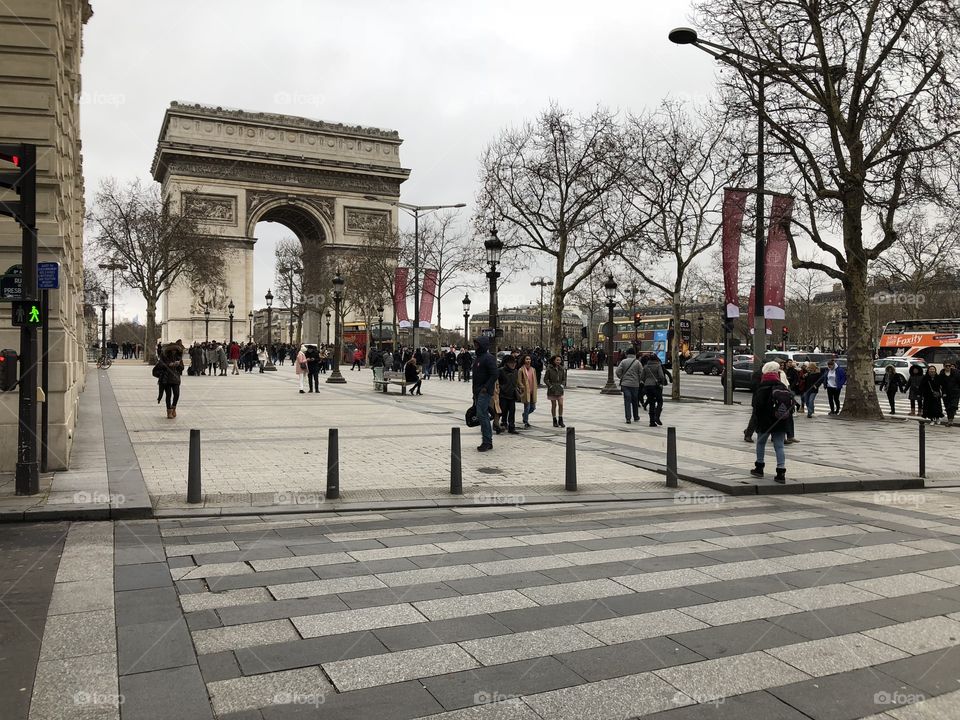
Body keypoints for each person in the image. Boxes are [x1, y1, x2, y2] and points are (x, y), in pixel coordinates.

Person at [752, 361, 792, 483]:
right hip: (780, 421)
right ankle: (781, 472)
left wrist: (756, 421)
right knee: (779, 446)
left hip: (765, 422)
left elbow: (756, 406)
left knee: (760, 443)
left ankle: (759, 467)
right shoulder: (782, 386)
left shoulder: (762, 387)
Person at [471, 337, 497, 451]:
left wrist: (486, 387)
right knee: (482, 414)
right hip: (477, 391)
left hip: (484, 391)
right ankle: (487, 440)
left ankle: (487, 441)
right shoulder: (478, 358)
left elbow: (494, 374)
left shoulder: (488, 358)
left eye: (477, 344)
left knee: (482, 415)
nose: (476, 346)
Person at [155, 342, 184, 419]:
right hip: (166, 379)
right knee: (168, 395)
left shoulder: (178, 357)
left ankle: (173, 407)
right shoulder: (164, 356)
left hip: (175, 378)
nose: (174, 351)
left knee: (177, 394)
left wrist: (178, 365)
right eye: (173, 350)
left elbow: (182, 368)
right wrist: (169, 365)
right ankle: (169, 411)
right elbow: (159, 365)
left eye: (175, 350)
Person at [615, 348, 643, 424]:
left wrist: (621, 377)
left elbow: (617, 371)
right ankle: (636, 416)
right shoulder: (637, 362)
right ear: (634, 354)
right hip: (635, 385)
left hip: (625, 384)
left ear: (627, 354)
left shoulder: (623, 361)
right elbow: (641, 373)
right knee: (635, 401)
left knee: (627, 401)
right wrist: (638, 380)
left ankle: (628, 418)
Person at [640, 353, 667, 427]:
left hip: (647, 386)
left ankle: (651, 422)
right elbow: (661, 376)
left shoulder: (646, 366)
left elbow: (642, 377)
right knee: (660, 401)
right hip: (655, 386)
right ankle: (657, 416)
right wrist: (661, 381)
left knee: (651, 402)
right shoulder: (658, 365)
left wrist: (647, 380)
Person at [544, 354, 567, 427]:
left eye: (559, 360)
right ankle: (554, 419)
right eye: (557, 360)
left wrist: (562, 385)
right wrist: (550, 386)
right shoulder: (549, 369)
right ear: (554, 360)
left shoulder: (562, 369)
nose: (558, 361)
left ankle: (560, 419)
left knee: (561, 404)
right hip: (552, 389)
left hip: (559, 389)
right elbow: (545, 379)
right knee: (554, 405)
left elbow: (564, 379)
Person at [499, 354, 519, 434]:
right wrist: (501, 388)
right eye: (511, 363)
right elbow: (496, 382)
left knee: (512, 411)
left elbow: (516, 382)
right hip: (503, 395)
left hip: (512, 395)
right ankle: (502, 423)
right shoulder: (501, 371)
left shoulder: (516, 371)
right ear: (507, 363)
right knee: (503, 410)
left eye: (514, 363)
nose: (513, 364)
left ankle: (511, 427)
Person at [518, 354, 538, 428]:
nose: (528, 361)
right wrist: (522, 386)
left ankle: (524, 415)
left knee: (533, 407)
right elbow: (519, 380)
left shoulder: (533, 369)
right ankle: (526, 421)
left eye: (529, 359)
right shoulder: (521, 370)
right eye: (527, 359)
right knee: (527, 407)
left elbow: (535, 379)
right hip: (526, 391)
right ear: (524, 360)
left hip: (533, 390)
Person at [939, 361, 959, 426]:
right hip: (946, 393)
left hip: (955, 393)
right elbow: (940, 384)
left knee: (953, 406)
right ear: (944, 366)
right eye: (946, 366)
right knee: (948, 407)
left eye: (949, 366)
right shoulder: (941, 374)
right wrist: (943, 392)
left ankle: (951, 420)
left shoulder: (956, 373)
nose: (948, 367)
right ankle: (949, 420)